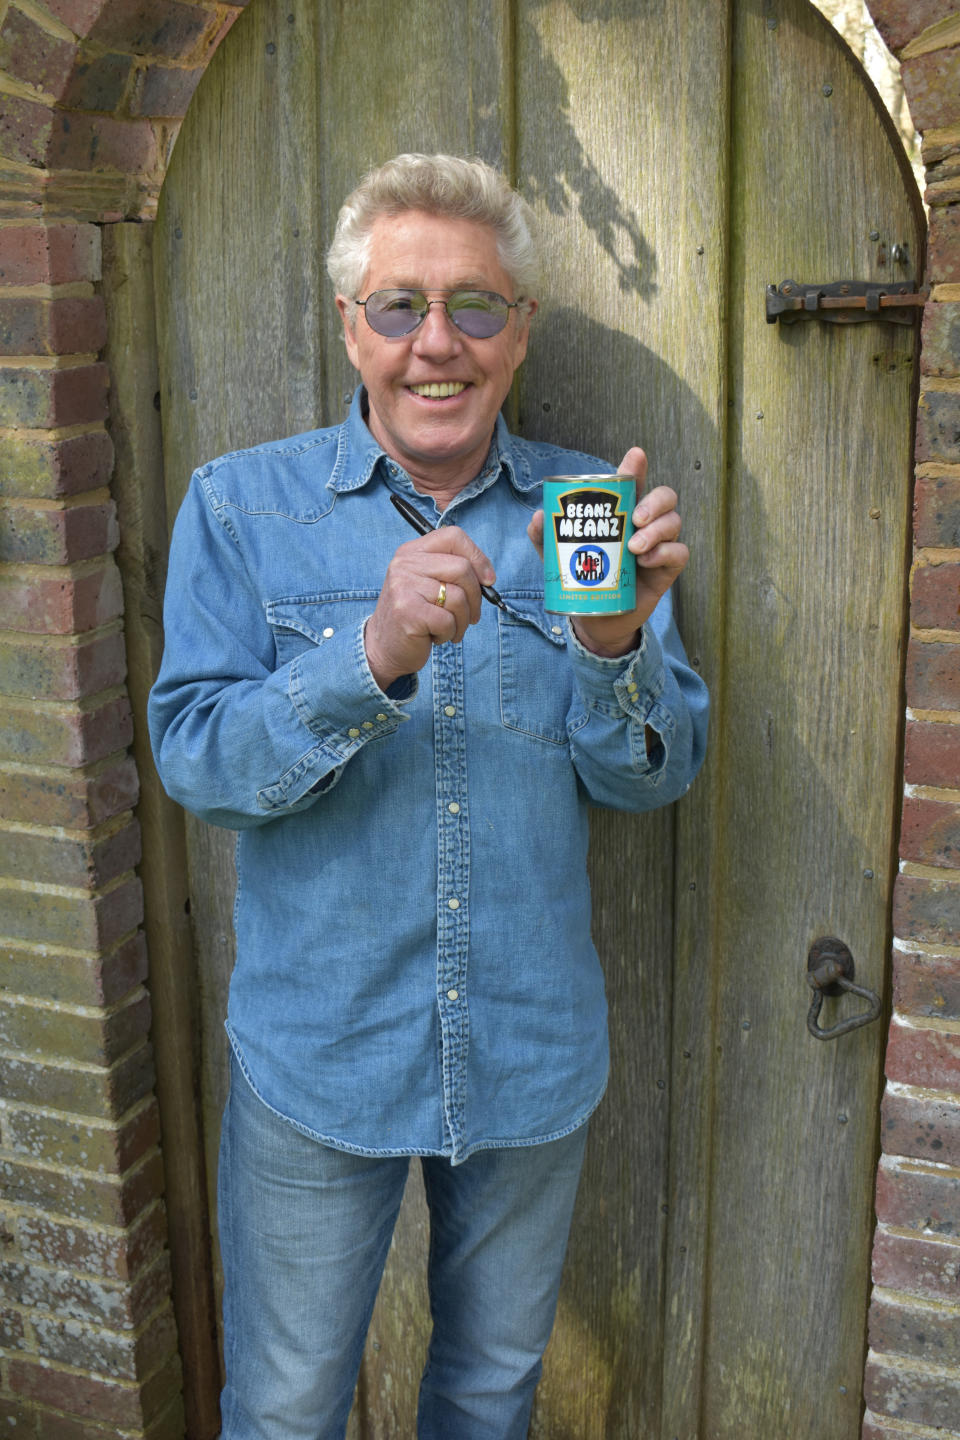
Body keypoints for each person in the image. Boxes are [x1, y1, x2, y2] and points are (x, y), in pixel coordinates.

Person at [148, 152, 709, 1440]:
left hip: (525, 1055)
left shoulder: (586, 515)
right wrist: (370, 659)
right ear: (353, 326)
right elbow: (198, 763)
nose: (435, 344)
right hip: (317, 1058)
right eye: (399, 306)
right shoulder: (243, 510)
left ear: (522, 333)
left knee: (489, 1394)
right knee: (286, 1408)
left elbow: (653, 783)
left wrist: (618, 649)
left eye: (475, 306)